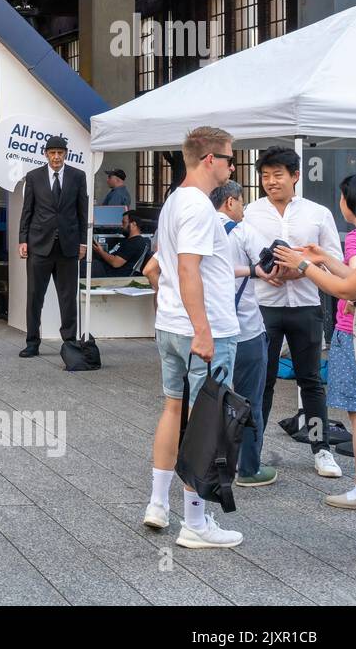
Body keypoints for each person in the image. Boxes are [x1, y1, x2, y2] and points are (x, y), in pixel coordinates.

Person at [141, 126, 244, 549]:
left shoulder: (174, 202)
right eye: (229, 159)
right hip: (204, 330)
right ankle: (196, 523)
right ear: (209, 160)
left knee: (173, 410)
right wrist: (203, 330)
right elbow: (187, 269)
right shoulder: (200, 208)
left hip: (172, 324)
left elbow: (158, 268)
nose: (233, 166)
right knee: (204, 424)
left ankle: (157, 504)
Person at [244, 145, 344, 479]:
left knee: (311, 380)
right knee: (263, 382)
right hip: (263, 307)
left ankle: (321, 448)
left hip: (306, 305)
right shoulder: (249, 212)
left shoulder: (317, 213)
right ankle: (251, 450)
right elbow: (241, 258)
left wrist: (303, 267)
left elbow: (332, 258)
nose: (270, 182)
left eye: (278, 175)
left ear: (295, 176)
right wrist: (262, 270)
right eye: (265, 176)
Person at [273, 174, 356, 527]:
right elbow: (354, 280)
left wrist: (305, 266)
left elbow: (347, 290)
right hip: (351, 333)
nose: (271, 181)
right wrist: (324, 258)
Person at [211, 180, 278, 487]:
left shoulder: (200, 228)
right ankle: (249, 469)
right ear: (230, 203)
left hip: (207, 330)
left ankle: (209, 461)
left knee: (210, 398)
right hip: (246, 328)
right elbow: (271, 262)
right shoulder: (242, 231)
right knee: (250, 398)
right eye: (241, 203)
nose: (243, 209)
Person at [17, 136, 88, 357]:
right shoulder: (34, 176)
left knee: (68, 298)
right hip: (39, 245)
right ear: (45, 154)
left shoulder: (78, 176)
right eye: (52, 152)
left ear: (66, 153)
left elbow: (82, 212)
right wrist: (23, 240)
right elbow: (27, 210)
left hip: (68, 246)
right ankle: (32, 342)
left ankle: (69, 342)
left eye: (60, 152)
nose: (56, 156)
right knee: (34, 296)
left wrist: (83, 242)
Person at [89, 211, 152, 278]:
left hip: (107, 273)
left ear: (133, 224)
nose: (122, 226)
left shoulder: (135, 242)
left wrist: (101, 252)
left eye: (124, 223)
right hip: (101, 267)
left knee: (81, 267)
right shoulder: (128, 240)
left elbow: (116, 263)